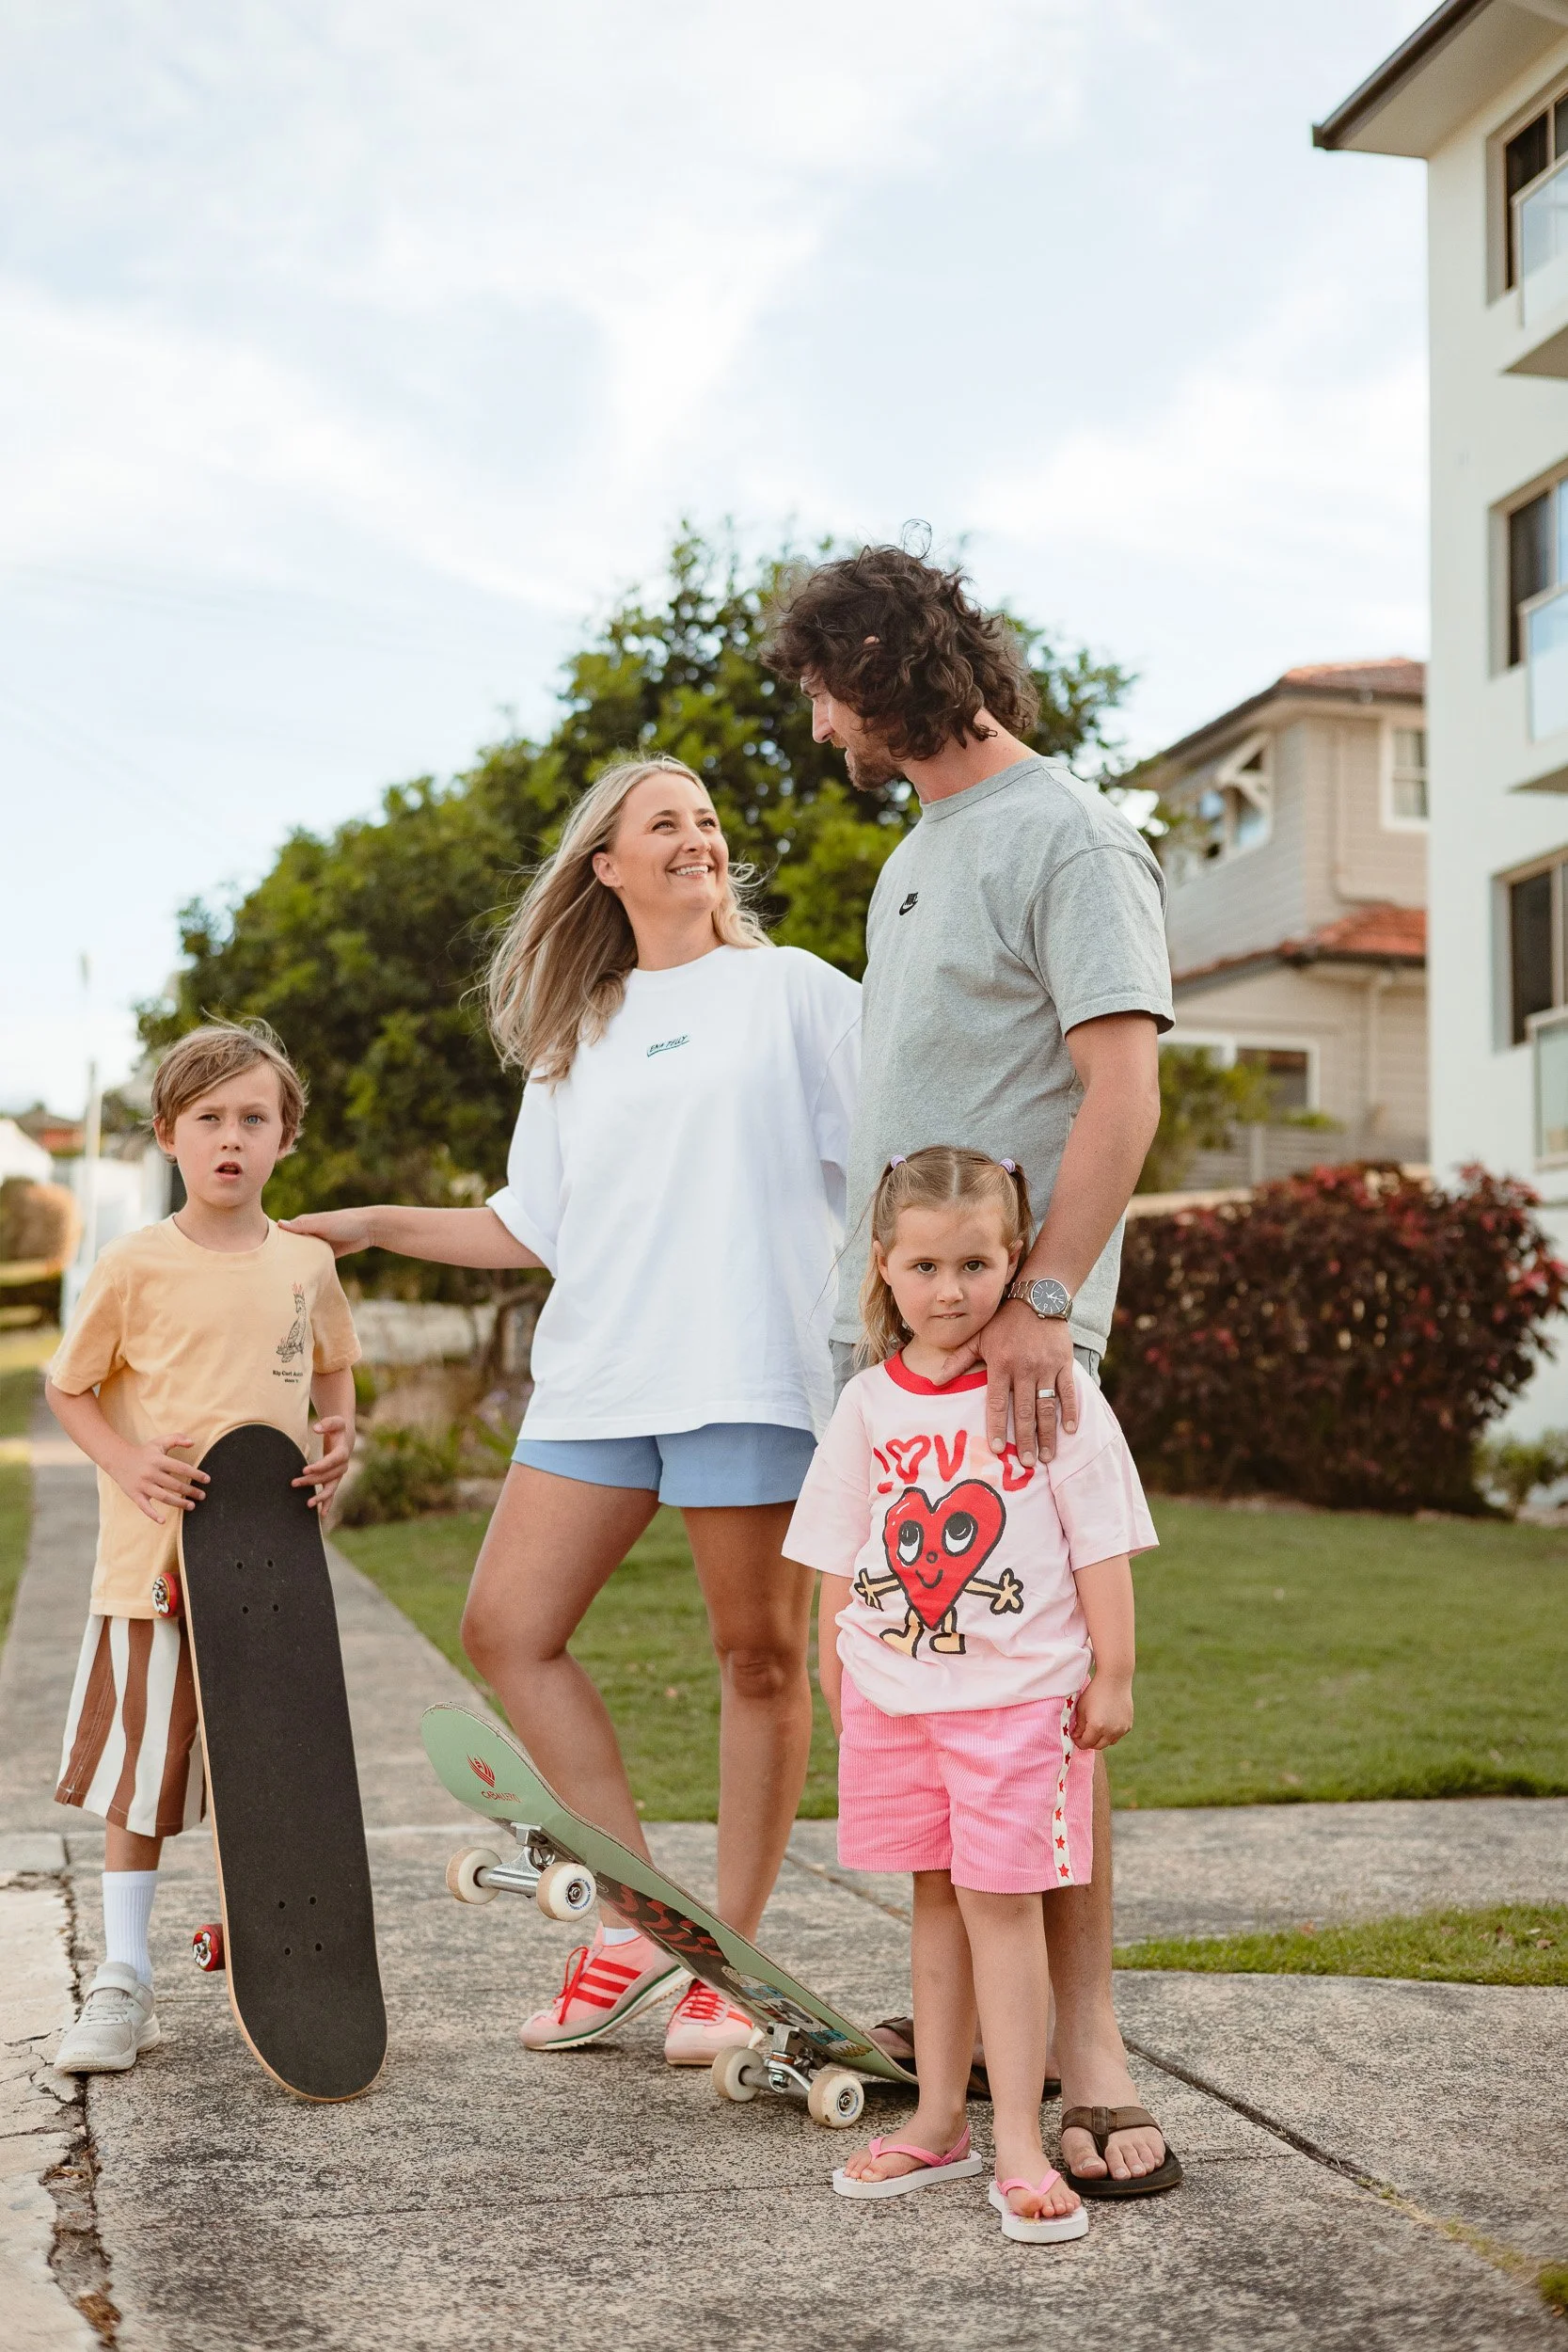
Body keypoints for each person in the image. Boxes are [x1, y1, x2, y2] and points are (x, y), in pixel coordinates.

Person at [286, 755, 861, 2065]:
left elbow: (891, 1155)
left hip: (746, 1368)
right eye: (665, 822)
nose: (697, 837)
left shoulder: (791, 991)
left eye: (705, 819)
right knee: (506, 1628)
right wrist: (366, 1223)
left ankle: (730, 1961)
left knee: (756, 1658)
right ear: (605, 865)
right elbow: (528, 1226)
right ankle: (639, 1923)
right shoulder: (575, 1035)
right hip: (600, 1373)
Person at [764, 545, 1180, 2195]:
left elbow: (1121, 1088)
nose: (816, 725)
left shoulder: (1067, 834)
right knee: (946, 1683)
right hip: (898, 1345)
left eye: (821, 692)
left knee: (1040, 1702)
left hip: (1013, 1339)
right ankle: (976, 2041)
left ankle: (1092, 2052)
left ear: (877, 677)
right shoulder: (920, 850)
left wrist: (1041, 1303)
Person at [785, 1148, 1160, 2237]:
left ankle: (1017, 2148)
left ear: (1014, 1260)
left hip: (1015, 1706)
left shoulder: (1050, 1389)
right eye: (924, 1266)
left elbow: (1101, 1541)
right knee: (934, 1904)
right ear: (883, 1267)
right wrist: (834, 1671)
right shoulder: (867, 1402)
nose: (949, 1290)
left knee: (1001, 1906)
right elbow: (837, 1548)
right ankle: (938, 2121)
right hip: (894, 1701)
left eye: (974, 1265)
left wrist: (1113, 1670)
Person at [47, 1022, 358, 2074]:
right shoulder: (134, 1264)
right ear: (168, 1135)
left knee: (281, 1777)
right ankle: (124, 1976)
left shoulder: (306, 1262)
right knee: (141, 1782)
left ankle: (295, 1966)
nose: (231, 1138)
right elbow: (68, 1388)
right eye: (209, 1118)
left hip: (273, 1581)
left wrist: (341, 1435)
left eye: (253, 1119)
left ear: (285, 1138)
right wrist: (127, 1461)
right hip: (156, 1572)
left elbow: (332, 1361)